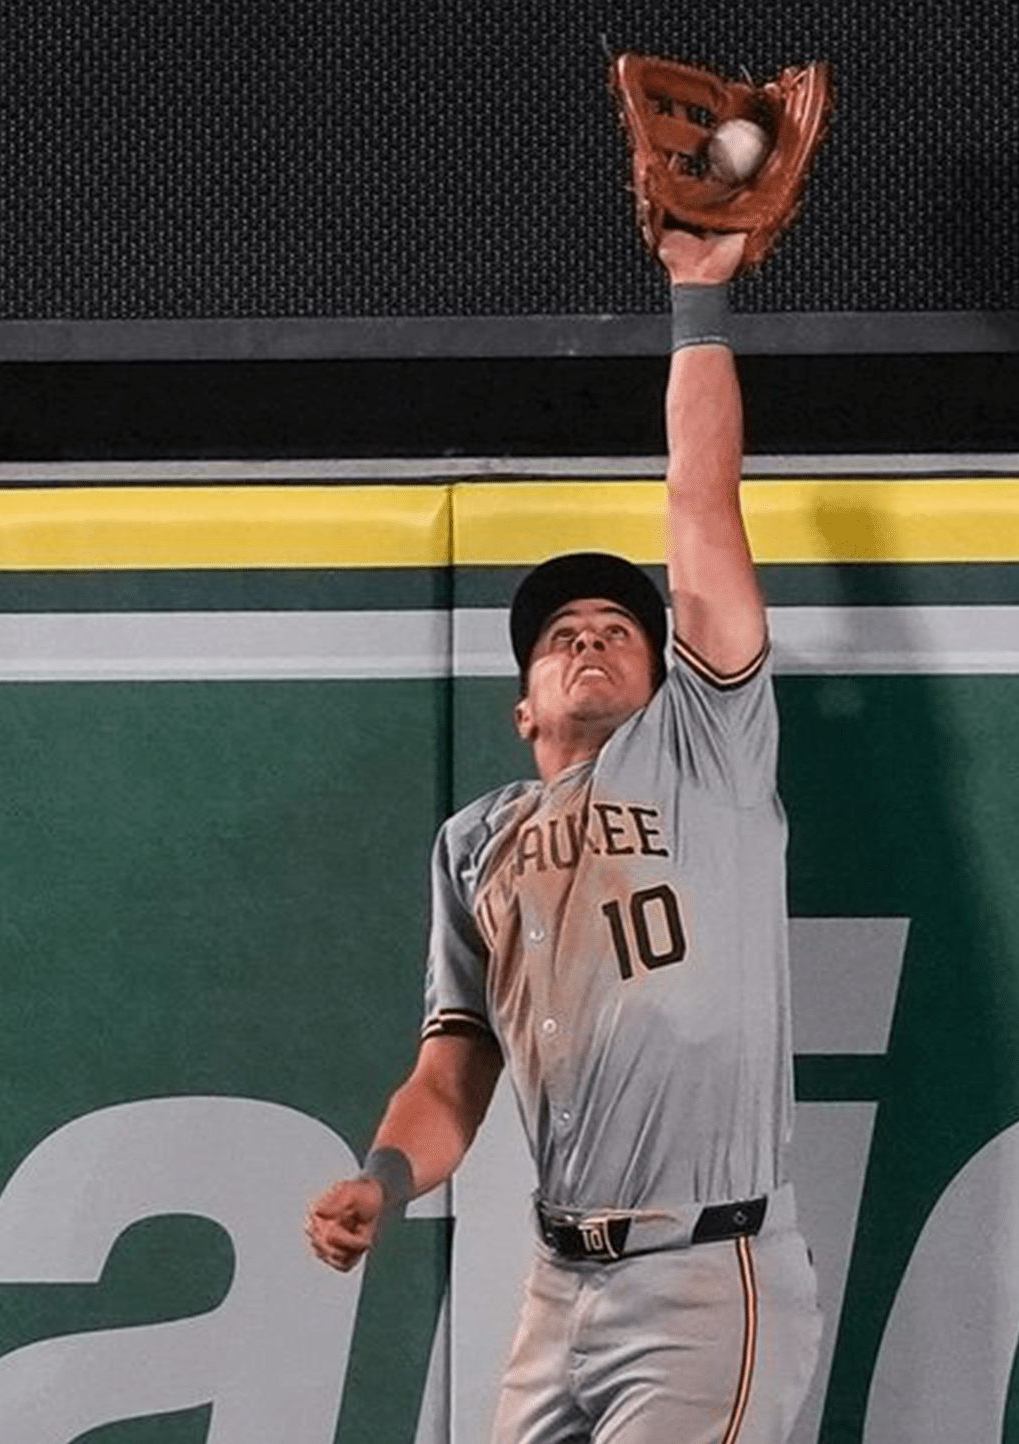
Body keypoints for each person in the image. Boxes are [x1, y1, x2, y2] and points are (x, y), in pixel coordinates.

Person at [305, 225, 822, 1444]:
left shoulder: (707, 749)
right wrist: (382, 1181)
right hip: (559, 1284)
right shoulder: (473, 841)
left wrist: (697, 298)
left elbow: (700, 499)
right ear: (523, 703)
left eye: (619, 628)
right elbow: (451, 1073)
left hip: (707, 1270)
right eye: (558, 634)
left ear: (664, 674)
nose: (589, 637)